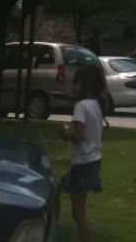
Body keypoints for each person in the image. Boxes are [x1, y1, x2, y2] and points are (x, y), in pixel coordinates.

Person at [57, 64, 105, 242]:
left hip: (83, 163)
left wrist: (65, 134)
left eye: (76, 82)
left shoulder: (81, 106)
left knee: (78, 213)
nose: (74, 86)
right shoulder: (96, 104)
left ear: (87, 83)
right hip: (92, 160)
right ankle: (50, 230)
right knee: (56, 191)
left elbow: (78, 136)